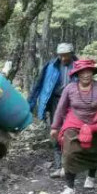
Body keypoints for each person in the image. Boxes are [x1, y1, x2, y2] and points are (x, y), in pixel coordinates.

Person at [50, 59, 97, 194]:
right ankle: (70, 186)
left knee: (94, 150)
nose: (86, 75)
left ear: (93, 73)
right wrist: (55, 127)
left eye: (89, 71)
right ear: (77, 74)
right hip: (74, 122)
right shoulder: (70, 88)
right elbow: (60, 109)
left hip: (95, 122)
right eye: (82, 72)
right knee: (69, 153)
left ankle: (90, 177)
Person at [28, 43, 77, 177]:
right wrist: (31, 104)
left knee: (71, 133)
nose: (62, 58)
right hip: (56, 101)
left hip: (74, 103)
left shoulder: (79, 66)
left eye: (65, 55)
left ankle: (70, 166)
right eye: (60, 56)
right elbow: (38, 85)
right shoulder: (50, 66)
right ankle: (58, 166)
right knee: (56, 132)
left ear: (72, 54)